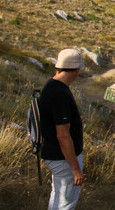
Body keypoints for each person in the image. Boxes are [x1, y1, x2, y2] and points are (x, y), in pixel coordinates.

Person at [39, 49, 85, 209]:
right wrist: (75, 168)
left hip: (55, 154)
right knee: (66, 203)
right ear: (76, 70)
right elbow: (63, 135)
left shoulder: (51, 85)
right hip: (62, 157)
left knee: (58, 197)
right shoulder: (60, 94)